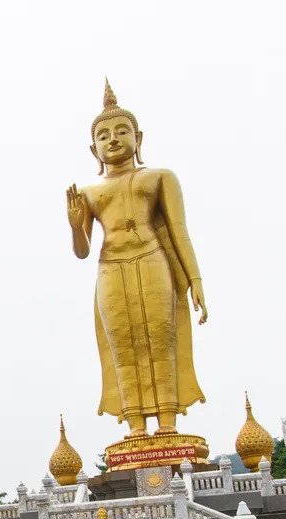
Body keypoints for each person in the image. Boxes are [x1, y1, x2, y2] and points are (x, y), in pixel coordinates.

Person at [66, 79, 208, 436]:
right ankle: (135, 427)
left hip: (152, 259)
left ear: (138, 138)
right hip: (111, 267)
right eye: (103, 136)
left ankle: (167, 423)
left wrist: (195, 281)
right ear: (92, 149)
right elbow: (82, 251)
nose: (112, 139)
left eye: (121, 131)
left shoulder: (160, 178)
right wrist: (74, 225)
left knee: (160, 340)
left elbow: (179, 232)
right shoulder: (86, 192)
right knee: (124, 345)